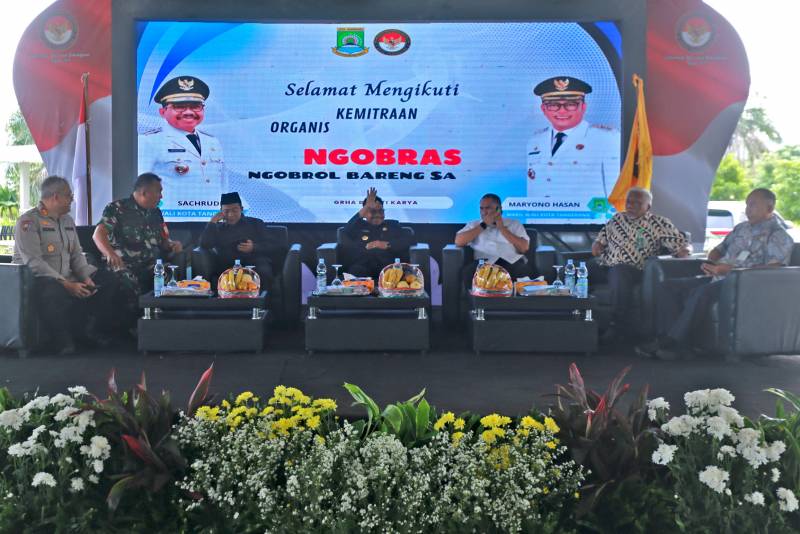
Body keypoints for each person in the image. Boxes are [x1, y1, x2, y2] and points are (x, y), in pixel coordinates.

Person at [637, 188, 794, 360]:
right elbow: (719, 249)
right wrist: (712, 261)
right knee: (668, 287)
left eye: (753, 205)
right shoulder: (741, 228)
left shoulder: (778, 235)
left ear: (769, 208)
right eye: (747, 205)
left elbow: (774, 269)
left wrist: (729, 270)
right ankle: (672, 341)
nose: (747, 209)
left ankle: (670, 342)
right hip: (718, 275)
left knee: (701, 293)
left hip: (742, 285)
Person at [13, 176, 118, 354]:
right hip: (39, 279)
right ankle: (61, 341)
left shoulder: (67, 221)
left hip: (68, 275)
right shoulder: (28, 222)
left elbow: (76, 254)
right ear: (56, 197)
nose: (72, 200)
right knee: (53, 290)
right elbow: (34, 262)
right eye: (69, 196)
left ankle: (87, 331)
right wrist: (66, 284)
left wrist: (86, 277)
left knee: (108, 279)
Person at [590, 187, 691, 343]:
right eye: (628, 202)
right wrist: (596, 245)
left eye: (637, 203)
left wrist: (685, 251)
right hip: (605, 265)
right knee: (575, 271)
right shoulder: (617, 219)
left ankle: (617, 326)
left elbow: (682, 245)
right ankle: (572, 319)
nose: (631, 205)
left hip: (635, 270)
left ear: (648, 206)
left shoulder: (659, 223)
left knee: (619, 271)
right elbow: (600, 241)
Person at [93, 173, 183, 327]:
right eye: (159, 191)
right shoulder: (117, 208)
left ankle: (163, 324)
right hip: (123, 265)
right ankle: (134, 327)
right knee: (129, 281)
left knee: (169, 275)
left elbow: (163, 241)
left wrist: (172, 244)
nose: (161, 196)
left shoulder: (156, 213)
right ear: (144, 192)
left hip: (148, 264)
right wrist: (110, 254)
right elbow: (98, 235)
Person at [526, 76, 619, 220]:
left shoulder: (606, 138)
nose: (562, 111)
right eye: (553, 105)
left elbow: (616, 195)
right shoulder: (535, 141)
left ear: (583, 107)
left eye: (571, 104)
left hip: (588, 226)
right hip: (541, 225)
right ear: (543, 109)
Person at [138, 75, 226, 217]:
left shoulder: (213, 142)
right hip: (170, 219)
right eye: (179, 106)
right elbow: (139, 189)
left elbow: (223, 186)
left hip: (212, 220)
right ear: (162, 112)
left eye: (195, 106)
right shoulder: (149, 141)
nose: (189, 112)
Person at [199, 192, 278, 290]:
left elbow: (272, 245)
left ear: (241, 209)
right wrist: (212, 222)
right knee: (217, 278)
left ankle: (262, 299)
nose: (231, 214)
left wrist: (253, 247)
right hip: (227, 266)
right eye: (226, 211)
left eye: (235, 210)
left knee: (264, 272)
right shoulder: (217, 228)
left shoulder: (256, 223)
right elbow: (204, 245)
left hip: (255, 264)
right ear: (221, 212)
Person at [455, 193, 533, 287]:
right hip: (484, 264)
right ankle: (478, 297)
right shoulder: (474, 224)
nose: (484, 212)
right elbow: (458, 241)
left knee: (524, 271)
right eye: (481, 208)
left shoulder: (514, 224)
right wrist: (483, 225)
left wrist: (502, 228)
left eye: (488, 208)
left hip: (510, 262)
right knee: (468, 272)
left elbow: (524, 248)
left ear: (498, 209)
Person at [341, 187, 413, 279]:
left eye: (381, 211)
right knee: (355, 271)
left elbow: (408, 240)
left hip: (387, 268)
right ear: (365, 213)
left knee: (395, 273)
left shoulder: (393, 225)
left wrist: (386, 244)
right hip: (362, 267)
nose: (378, 214)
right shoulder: (358, 226)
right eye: (373, 211)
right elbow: (345, 232)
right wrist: (366, 207)